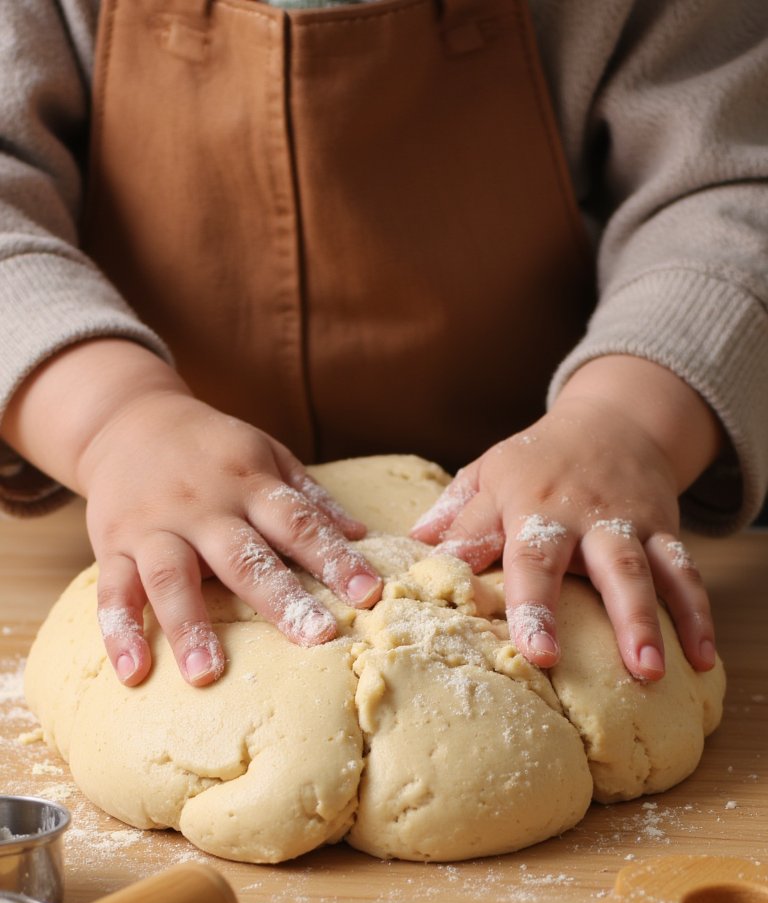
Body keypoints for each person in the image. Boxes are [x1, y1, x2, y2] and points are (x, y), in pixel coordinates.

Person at [1, 0, 766, 691]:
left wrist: (630, 424)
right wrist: (112, 421)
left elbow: (728, 189)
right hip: (150, 515)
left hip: (555, 517)